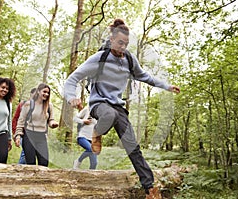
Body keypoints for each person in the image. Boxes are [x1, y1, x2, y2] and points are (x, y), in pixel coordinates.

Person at [63, 19, 180, 198]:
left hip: (118, 107)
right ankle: (97, 132)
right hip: (99, 105)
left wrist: (166, 86)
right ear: (111, 40)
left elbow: (145, 77)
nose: (123, 46)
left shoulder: (129, 60)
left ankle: (150, 189)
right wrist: (71, 96)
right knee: (108, 114)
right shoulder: (99, 58)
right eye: (120, 42)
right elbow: (72, 79)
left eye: (126, 43)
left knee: (133, 147)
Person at [14, 83, 59, 167]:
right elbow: (20, 122)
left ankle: (41, 180)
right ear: (38, 91)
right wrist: (17, 136)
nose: (46, 94)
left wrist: (53, 124)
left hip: (41, 136)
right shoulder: (28, 104)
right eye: (44, 92)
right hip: (29, 135)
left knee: (44, 163)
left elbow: (50, 120)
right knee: (31, 163)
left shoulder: (49, 106)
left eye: (48, 93)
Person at [12, 87, 36, 164]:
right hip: (23, 134)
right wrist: (16, 134)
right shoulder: (23, 105)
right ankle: (19, 170)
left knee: (28, 154)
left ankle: (21, 169)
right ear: (31, 95)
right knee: (25, 153)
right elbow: (15, 119)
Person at [73, 105, 98, 170]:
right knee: (91, 149)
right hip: (82, 136)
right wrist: (83, 121)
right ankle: (78, 161)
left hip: (92, 139)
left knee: (94, 164)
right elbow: (75, 118)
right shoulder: (87, 109)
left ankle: (90, 178)